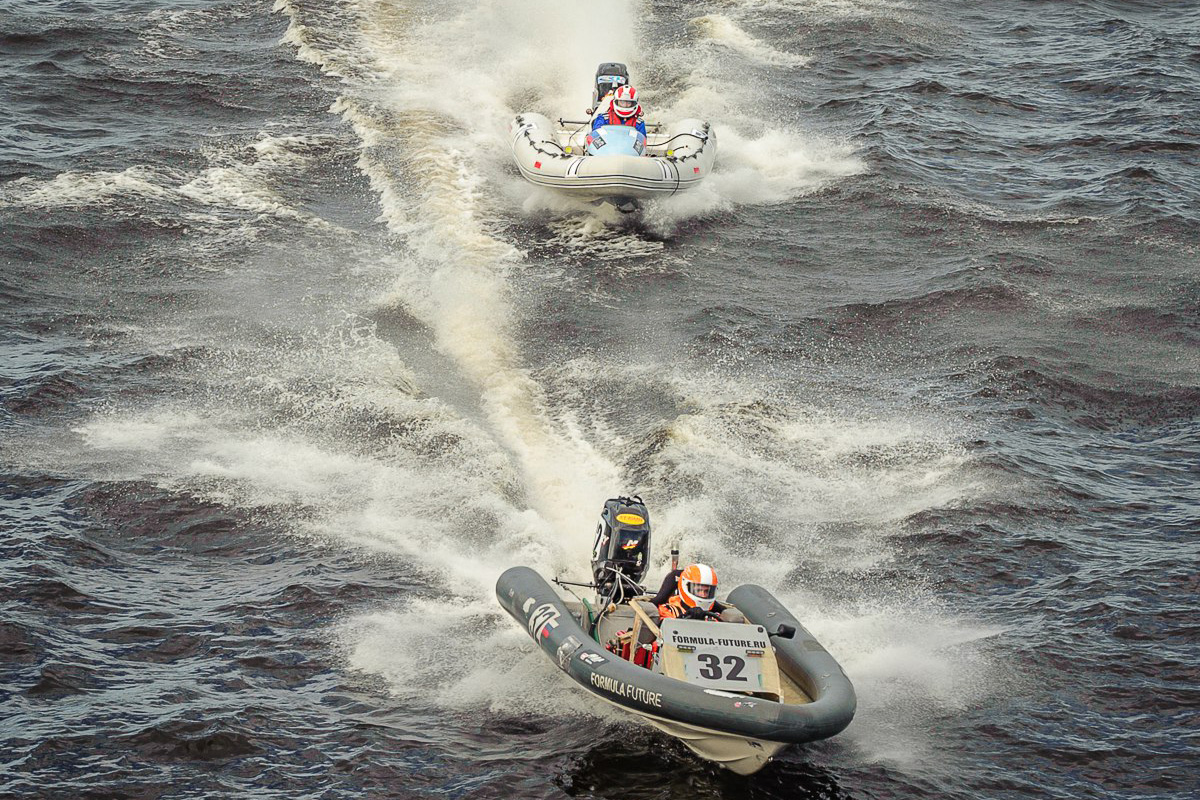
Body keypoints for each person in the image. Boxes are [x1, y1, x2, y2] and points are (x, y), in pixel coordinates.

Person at [652, 563, 726, 620]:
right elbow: (664, 630)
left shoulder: (716, 615)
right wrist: (686, 617)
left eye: (707, 591)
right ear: (685, 587)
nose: (703, 595)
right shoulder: (668, 610)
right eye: (699, 590)